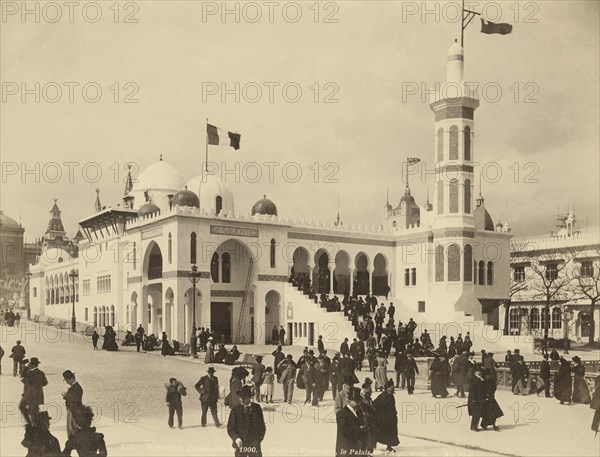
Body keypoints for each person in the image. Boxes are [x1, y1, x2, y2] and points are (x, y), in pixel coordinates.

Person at [227, 385, 266, 457]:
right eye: (240, 397)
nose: (241, 399)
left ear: (249, 398)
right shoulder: (235, 410)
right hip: (240, 444)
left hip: (254, 443)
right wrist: (236, 438)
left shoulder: (257, 408)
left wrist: (259, 439)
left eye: (244, 398)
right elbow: (231, 428)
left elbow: (262, 426)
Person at [335, 387, 366, 457]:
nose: (359, 403)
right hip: (345, 449)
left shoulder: (359, 412)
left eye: (359, 401)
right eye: (356, 401)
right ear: (349, 401)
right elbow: (344, 430)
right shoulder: (342, 413)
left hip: (356, 448)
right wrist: (359, 428)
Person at [373, 379, 399, 452]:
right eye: (391, 387)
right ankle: (373, 445)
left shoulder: (391, 396)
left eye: (393, 386)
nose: (393, 388)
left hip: (391, 418)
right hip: (384, 418)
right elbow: (375, 404)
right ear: (387, 388)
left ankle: (389, 446)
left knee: (391, 433)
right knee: (380, 432)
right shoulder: (383, 396)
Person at [20, 358, 47, 426]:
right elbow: (45, 383)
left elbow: (23, 378)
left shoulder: (30, 373)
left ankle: (32, 424)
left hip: (29, 394)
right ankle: (34, 423)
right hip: (37, 394)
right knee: (33, 410)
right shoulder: (41, 373)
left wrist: (25, 367)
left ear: (32, 365)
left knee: (23, 407)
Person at [62, 370, 83, 439]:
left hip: (74, 410)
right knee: (71, 427)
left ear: (71, 379)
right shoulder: (75, 387)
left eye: (67, 380)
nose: (66, 382)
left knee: (72, 427)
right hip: (72, 409)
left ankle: (74, 442)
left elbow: (75, 399)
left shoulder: (77, 387)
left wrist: (65, 396)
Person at [468, 365, 484, 431]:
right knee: (476, 414)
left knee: (477, 413)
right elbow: (472, 391)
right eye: (478, 371)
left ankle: (474, 426)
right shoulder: (474, 379)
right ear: (475, 372)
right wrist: (473, 399)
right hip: (475, 399)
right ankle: (473, 427)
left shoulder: (479, 378)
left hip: (478, 398)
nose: (480, 372)